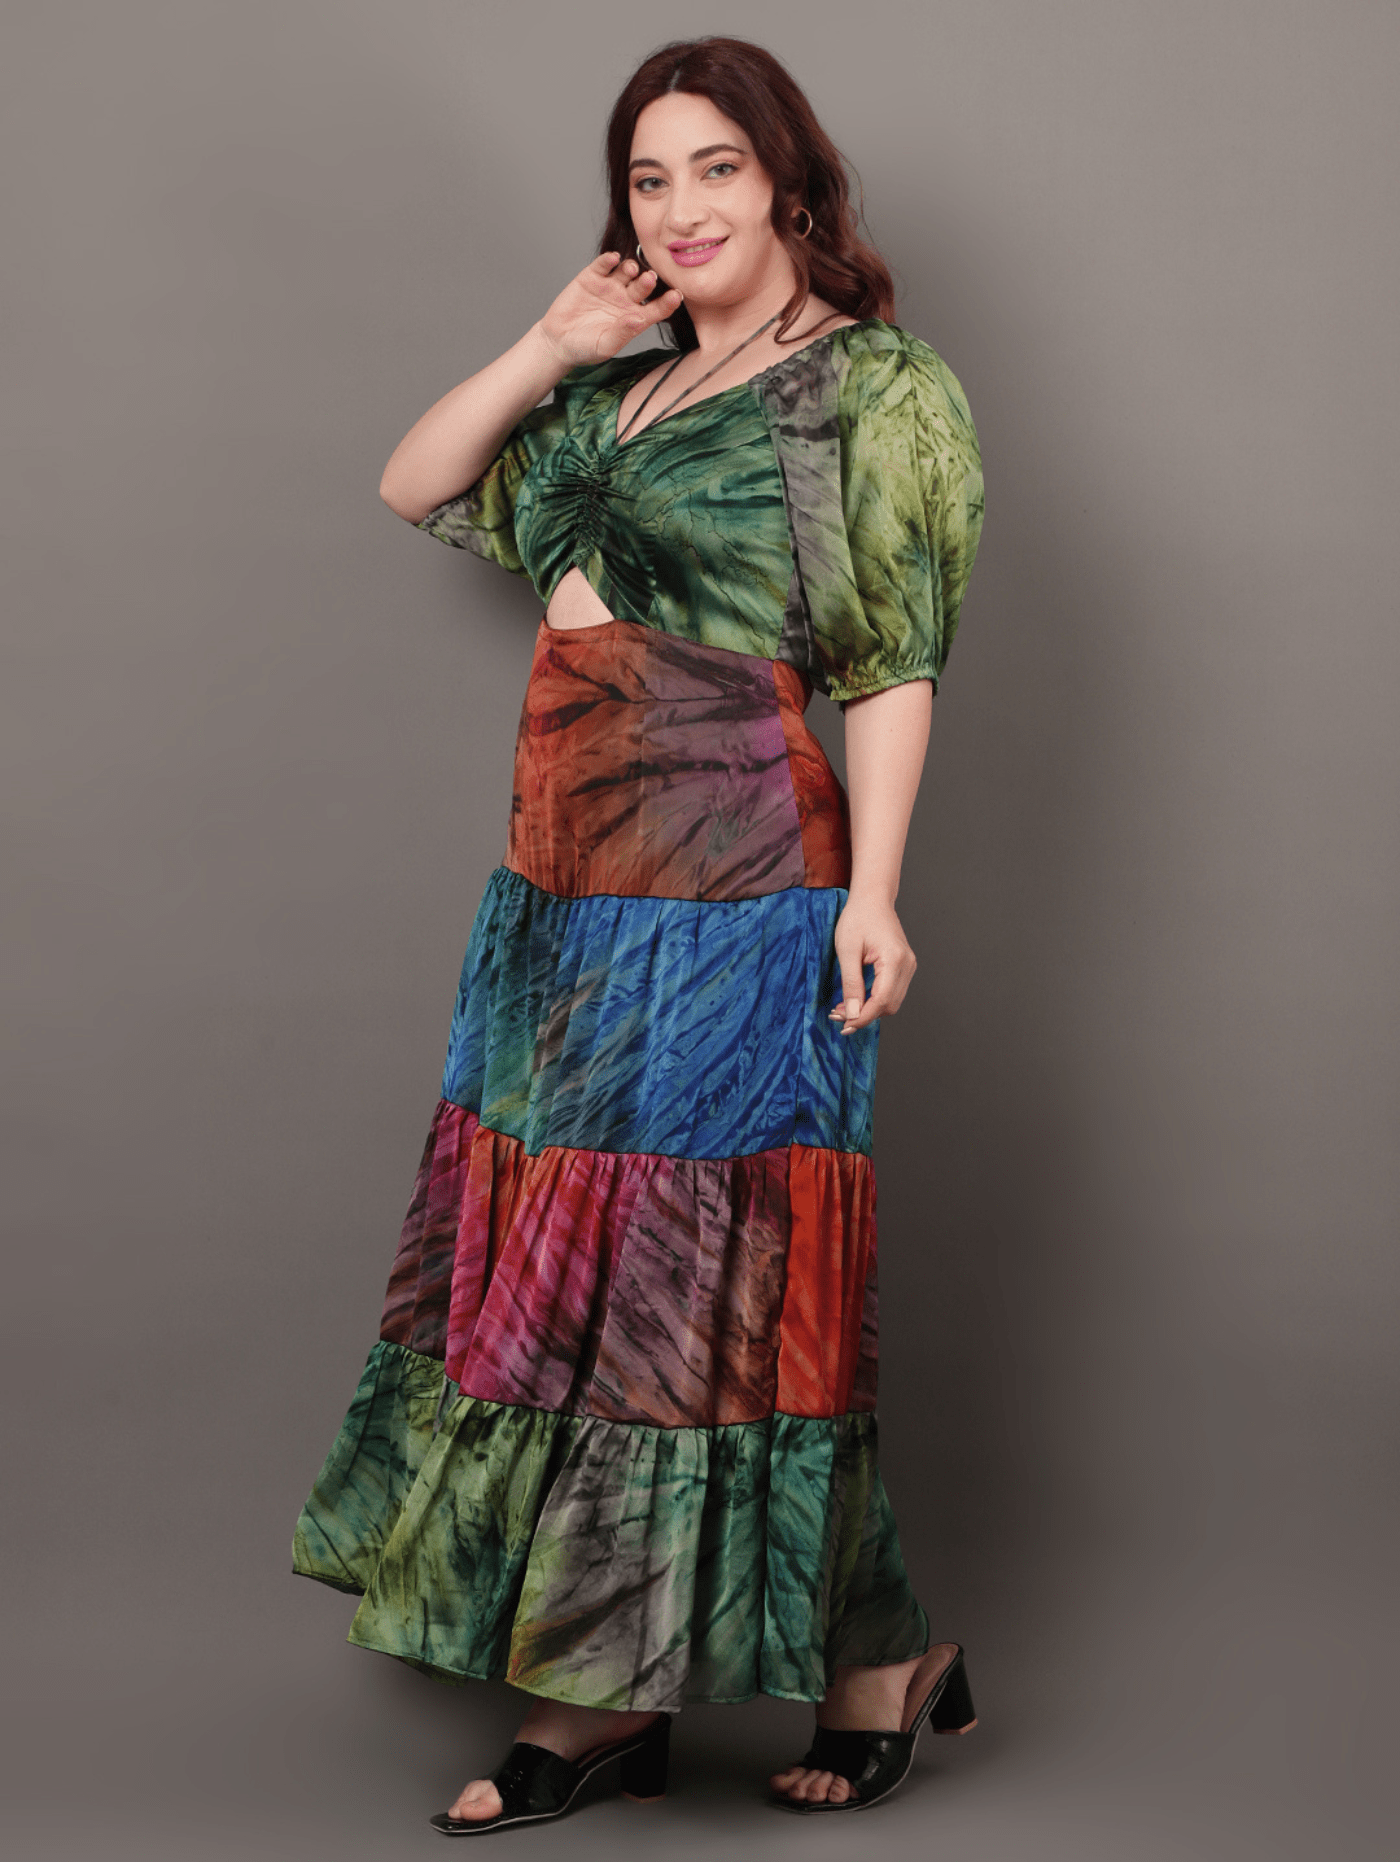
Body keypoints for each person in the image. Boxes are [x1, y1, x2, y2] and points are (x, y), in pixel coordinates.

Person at [292, 34, 985, 1834]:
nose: (680, 209)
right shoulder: (620, 384)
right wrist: (553, 341)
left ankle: (628, 1695)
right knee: (608, 1289)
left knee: (706, 1292)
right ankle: (830, 1658)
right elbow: (415, 479)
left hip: (736, 893)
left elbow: (890, 660)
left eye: (716, 170)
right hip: (560, 907)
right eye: (649, 178)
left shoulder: (871, 388)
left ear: (791, 181)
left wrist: (875, 891)